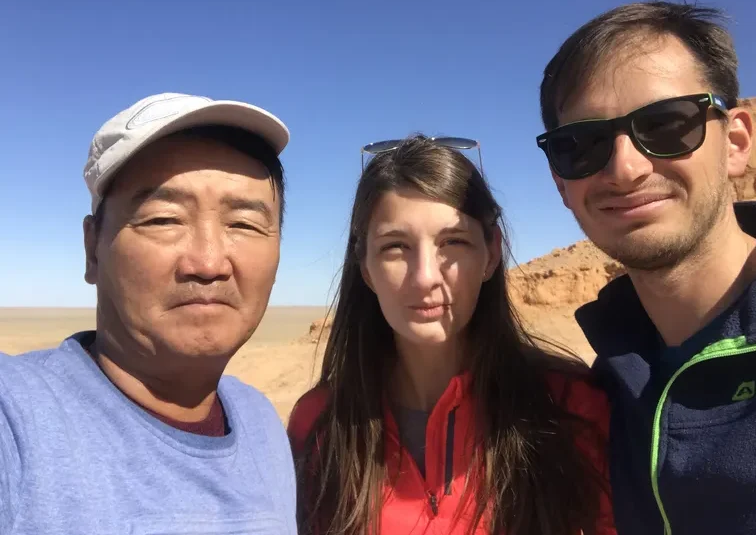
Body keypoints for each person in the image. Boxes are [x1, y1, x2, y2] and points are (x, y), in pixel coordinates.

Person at [536, 0, 756, 535]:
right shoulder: (603, 389)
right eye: (581, 145)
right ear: (562, 185)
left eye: (665, 123)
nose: (625, 169)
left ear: (736, 142)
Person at [0, 93, 298, 534]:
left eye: (244, 224)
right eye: (163, 219)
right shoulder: (18, 426)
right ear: (92, 249)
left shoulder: (263, 427)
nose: (209, 263)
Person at [288, 135, 615, 535]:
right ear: (366, 268)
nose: (426, 277)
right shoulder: (319, 424)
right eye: (395, 247)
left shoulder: (568, 406)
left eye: (454, 242)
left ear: (491, 253)